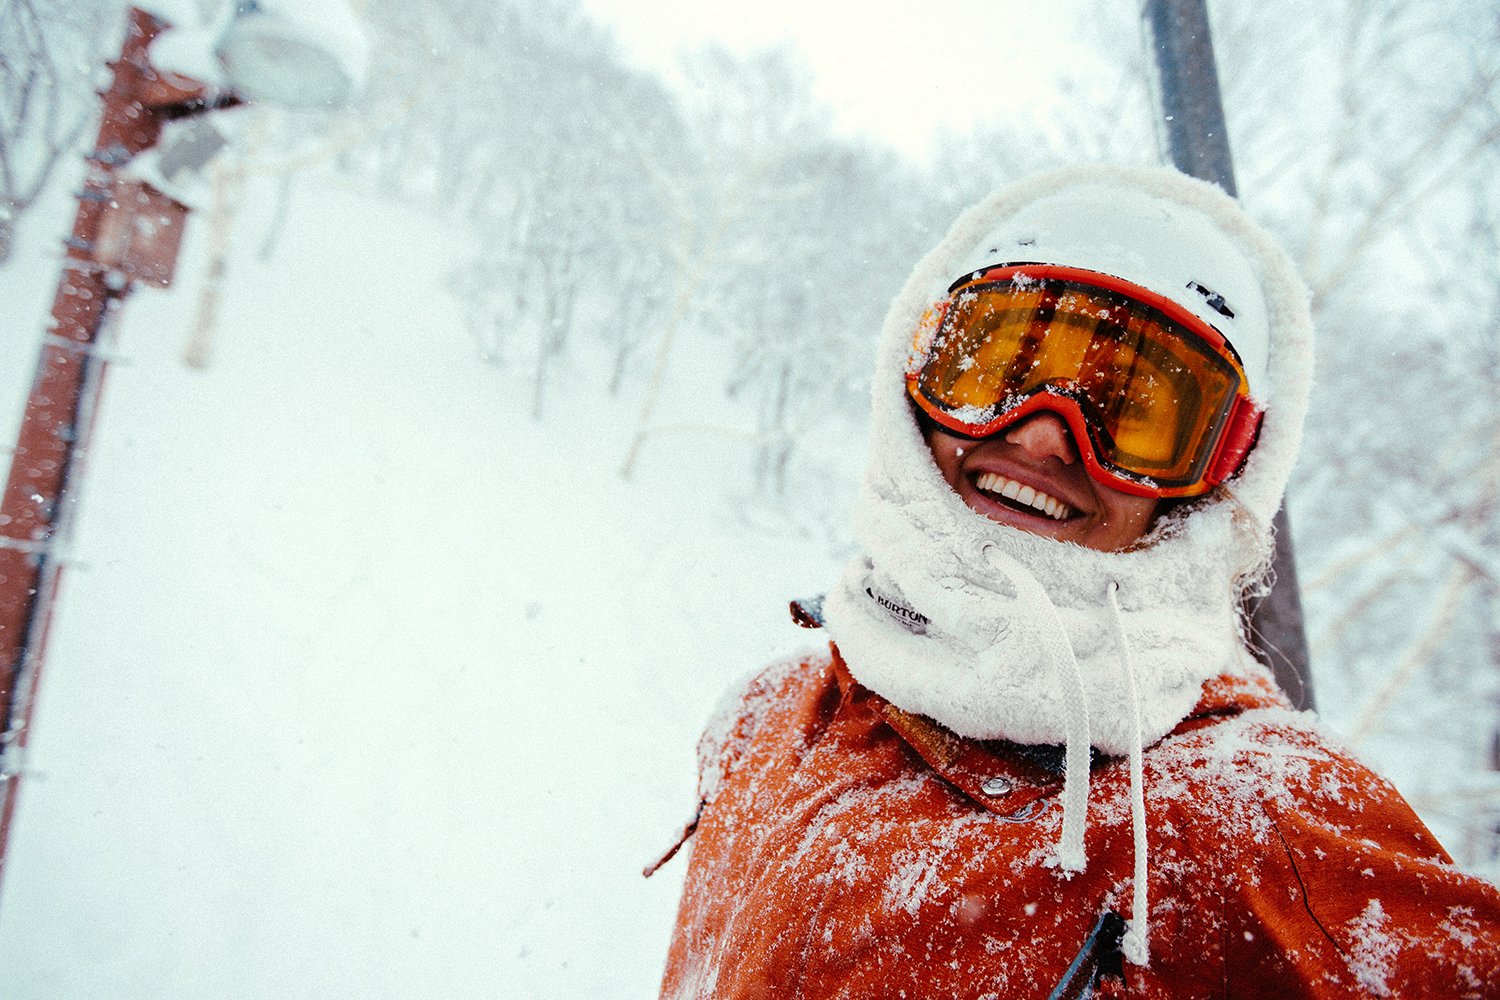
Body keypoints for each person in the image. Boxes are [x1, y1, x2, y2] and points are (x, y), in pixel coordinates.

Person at [647, 165, 1500, 998]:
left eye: (1133, 413)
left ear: (1218, 477)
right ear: (912, 379)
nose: (1048, 438)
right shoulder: (770, 712)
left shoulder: (1252, 817)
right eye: (998, 372)